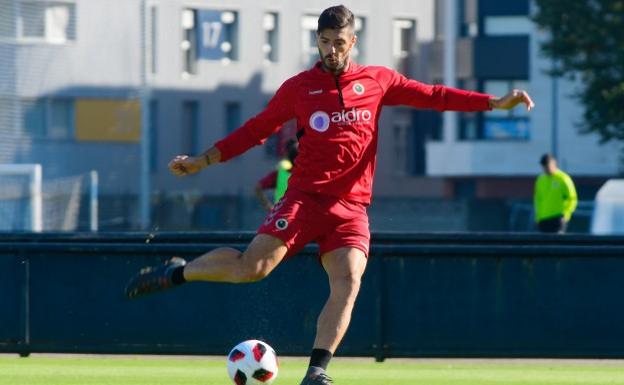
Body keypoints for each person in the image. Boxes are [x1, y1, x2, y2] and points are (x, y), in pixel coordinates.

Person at [124, 5, 535, 384]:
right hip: (303, 198)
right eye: (325, 42)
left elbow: (433, 96)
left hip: (352, 209)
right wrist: (202, 160)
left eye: (340, 43)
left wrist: (493, 103)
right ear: (317, 41)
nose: (333, 50)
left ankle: (316, 372)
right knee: (254, 268)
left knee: (349, 280)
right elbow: (255, 130)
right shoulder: (299, 88)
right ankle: (178, 271)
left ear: (352, 42)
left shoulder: (377, 80)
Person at [534, 153, 577, 233]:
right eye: (544, 167)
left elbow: (572, 198)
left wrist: (566, 215)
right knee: (543, 244)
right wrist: (538, 217)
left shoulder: (563, 178)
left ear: (554, 164)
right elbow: (538, 199)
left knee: (557, 243)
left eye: (547, 166)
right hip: (543, 219)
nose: (546, 169)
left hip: (558, 218)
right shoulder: (540, 180)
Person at [255, 139, 299, 212]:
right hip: (300, 216)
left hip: (281, 214)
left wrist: (268, 206)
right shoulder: (309, 174)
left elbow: (258, 187)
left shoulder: (281, 172)